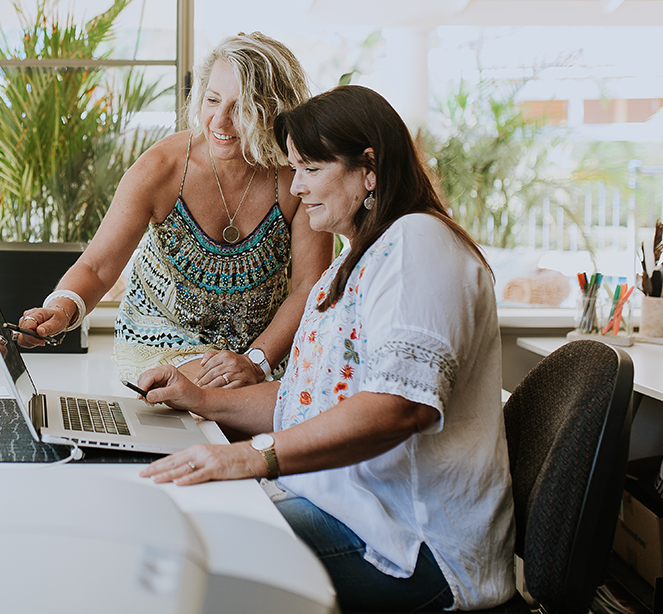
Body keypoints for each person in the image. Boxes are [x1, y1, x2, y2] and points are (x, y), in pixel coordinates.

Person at [135, 85, 515, 611]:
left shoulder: (417, 246)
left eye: (311, 170)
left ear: (369, 170)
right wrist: (202, 400)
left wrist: (252, 456)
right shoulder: (352, 263)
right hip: (349, 509)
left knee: (189, 561)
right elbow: (304, 398)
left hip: (414, 546)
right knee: (170, 530)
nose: (296, 187)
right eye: (292, 170)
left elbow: (397, 407)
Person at [17, 32, 333, 387]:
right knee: (213, 398)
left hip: (265, 351)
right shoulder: (162, 168)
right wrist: (60, 309)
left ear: (275, 112)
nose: (219, 121)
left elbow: (308, 287)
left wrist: (256, 362)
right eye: (212, 100)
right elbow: (98, 266)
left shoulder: (298, 175)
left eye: (241, 108)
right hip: (162, 345)